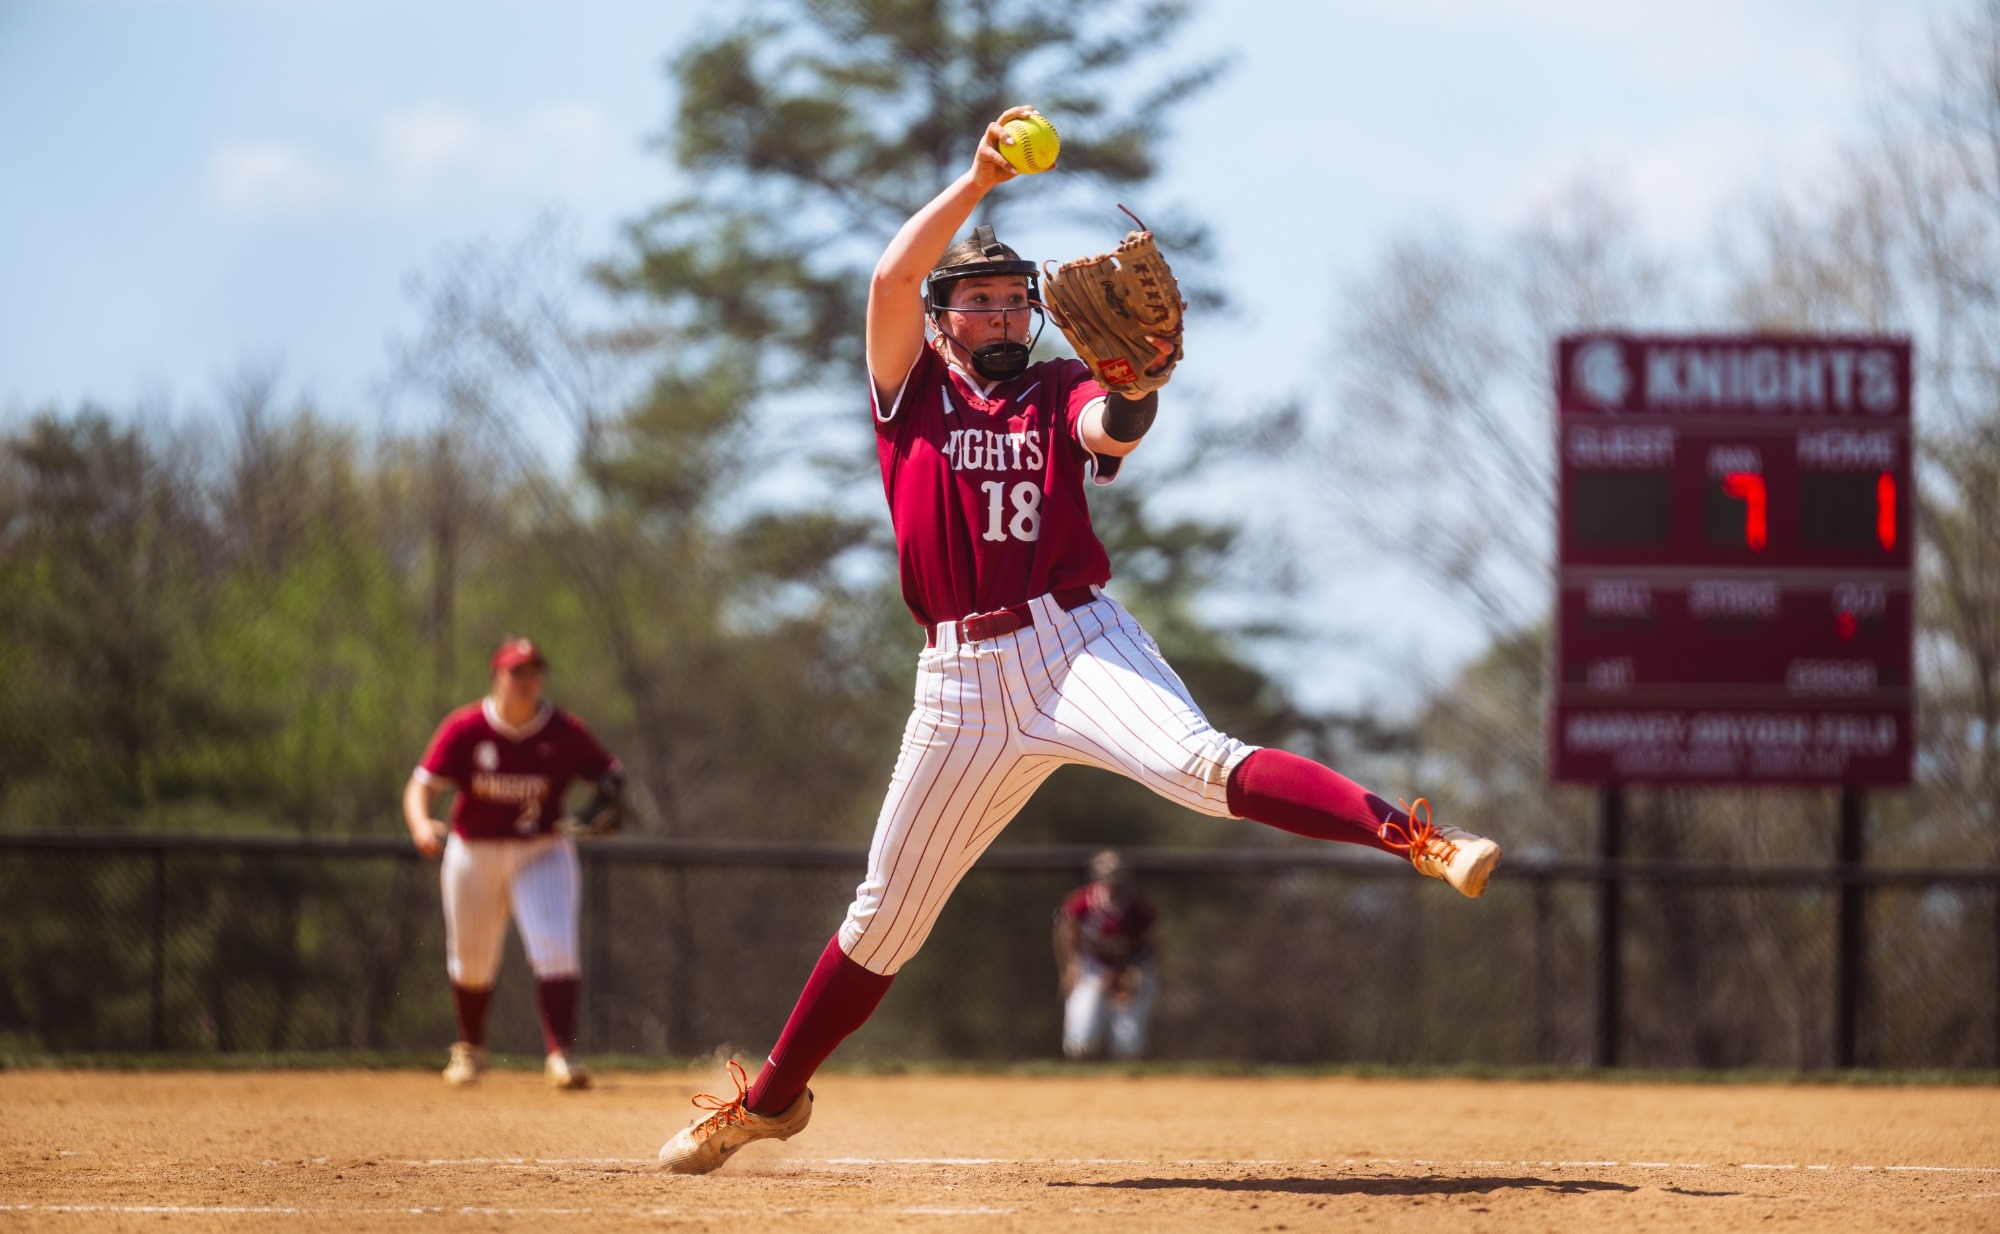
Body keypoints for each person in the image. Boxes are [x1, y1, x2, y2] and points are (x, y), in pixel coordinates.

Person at [656, 105, 1500, 1173]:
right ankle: (771, 1100)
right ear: (944, 317)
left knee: (1202, 762)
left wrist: (1138, 386)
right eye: (980, 299)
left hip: (1069, 646)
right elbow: (881, 283)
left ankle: (1413, 839)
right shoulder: (907, 388)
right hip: (957, 683)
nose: (1005, 312)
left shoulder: (1057, 387)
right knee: (883, 919)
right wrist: (973, 184)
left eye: (1016, 298)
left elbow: (1111, 427)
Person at [403, 637, 624, 1090]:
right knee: (472, 959)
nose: (527, 680)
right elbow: (421, 785)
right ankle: (470, 1050)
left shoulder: (564, 730)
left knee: (556, 946)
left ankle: (562, 1053)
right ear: (497, 676)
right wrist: (422, 824)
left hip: (540, 850)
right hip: (473, 850)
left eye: (534, 671)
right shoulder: (466, 727)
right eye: (517, 671)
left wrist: (611, 789)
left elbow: (609, 773)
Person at [1055, 850, 1159, 1061]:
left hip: (1126, 967)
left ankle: (1124, 1085)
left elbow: (1154, 941)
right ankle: (1082, 1085)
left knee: (1128, 1045)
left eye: (1116, 871)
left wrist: (1135, 970)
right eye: (1106, 871)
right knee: (1080, 1041)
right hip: (1090, 967)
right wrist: (1069, 969)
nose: (1111, 876)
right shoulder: (1083, 901)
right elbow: (1065, 932)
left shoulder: (1137, 906)